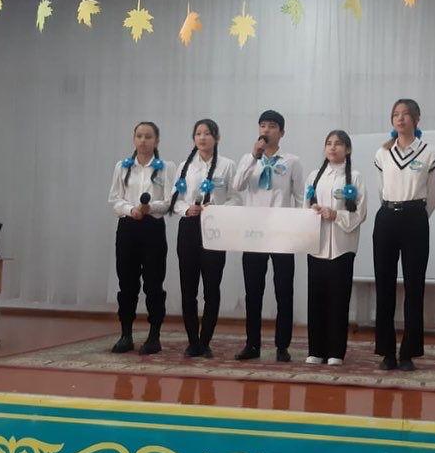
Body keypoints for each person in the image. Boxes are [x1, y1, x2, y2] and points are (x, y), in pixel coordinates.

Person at [372, 99, 435, 372]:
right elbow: (381, 190)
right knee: (384, 285)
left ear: (416, 118)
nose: (400, 119)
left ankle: (408, 352)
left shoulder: (429, 153)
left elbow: (433, 195)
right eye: (395, 115)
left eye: (405, 114)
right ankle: (387, 352)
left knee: (414, 287)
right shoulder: (382, 153)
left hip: (415, 219)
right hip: (386, 217)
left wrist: (417, 217)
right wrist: (393, 210)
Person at [232, 110, 304, 362]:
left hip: (282, 231)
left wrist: (299, 228)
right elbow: (237, 186)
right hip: (254, 232)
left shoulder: (292, 161)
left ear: (281, 132)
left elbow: (301, 197)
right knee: (253, 291)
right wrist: (254, 156)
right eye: (262, 125)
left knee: (284, 290)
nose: (266, 130)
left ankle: (282, 346)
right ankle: (252, 344)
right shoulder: (248, 159)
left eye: (272, 126)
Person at [170, 119, 239, 358]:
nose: (202, 137)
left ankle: (205, 340)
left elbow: (235, 198)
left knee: (211, 287)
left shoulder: (227, 165)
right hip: (189, 228)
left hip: (215, 229)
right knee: (188, 288)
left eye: (207, 133)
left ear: (217, 138)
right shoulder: (185, 166)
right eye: (198, 133)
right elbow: (175, 200)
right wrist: (186, 209)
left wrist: (217, 209)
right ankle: (192, 341)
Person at [107, 122, 175, 355]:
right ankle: (126, 334)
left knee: (154, 284)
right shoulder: (123, 166)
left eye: (148, 137)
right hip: (128, 227)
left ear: (157, 140)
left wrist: (149, 207)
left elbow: (169, 201)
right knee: (127, 283)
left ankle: (154, 335)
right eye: (139, 136)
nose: (143, 141)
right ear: (134, 139)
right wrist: (130, 210)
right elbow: (114, 199)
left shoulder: (166, 167)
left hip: (152, 228)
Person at [303, 130, 367, 366]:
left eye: (338, 144)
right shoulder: (314, 176)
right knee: (316, 300)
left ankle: (336, 352)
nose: (332, 147)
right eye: (328, 143)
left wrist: (335, 215)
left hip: (342, 248)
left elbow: (361, 212)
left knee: (338, 301)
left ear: (347, 150)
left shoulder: (355, 177)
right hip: (317, 246)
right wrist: (313, 213)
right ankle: (315, 350)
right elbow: (305, 208)